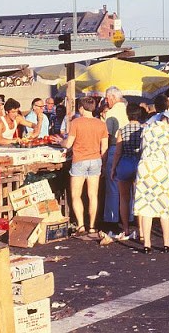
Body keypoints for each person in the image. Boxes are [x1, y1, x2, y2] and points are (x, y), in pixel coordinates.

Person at [133, 107, 169, 253]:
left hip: (144, 168)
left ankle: (147, 244)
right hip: (160, 170)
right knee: (164, 206)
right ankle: (166, 243)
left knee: (146, 207)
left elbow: (142, 147)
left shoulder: (147, 129)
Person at [58, 96, 108, 237]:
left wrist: (61, 141)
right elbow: (105, 147)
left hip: (79, 160)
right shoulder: (101, 124)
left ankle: (81, 226)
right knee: (93, 195)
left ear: (81, 108)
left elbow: (68, 144)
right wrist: (103, 165)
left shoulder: (76, 122)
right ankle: (92, 226)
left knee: (76, 195)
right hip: (96, 160)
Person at [109, 102, 143, 241]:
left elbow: (118, 152)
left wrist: (113, 168)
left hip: (124, 163)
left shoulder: (122, 130)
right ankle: (141, 230)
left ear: (128, 115)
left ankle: (126, 228)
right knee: (140, 198)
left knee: (124, 198)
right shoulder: (144, 129)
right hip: (140, 163)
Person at [103, 87, 129, 228]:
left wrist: (104, 157)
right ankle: (128, 216)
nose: (107, 101)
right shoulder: (127, 110)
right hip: (128, 149)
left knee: (112, 185)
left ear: (112, 97)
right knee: (126, 187)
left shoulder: (111, 113)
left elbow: (108, 136)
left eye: (107, 98)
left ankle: (112, 218)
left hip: (114, 148)